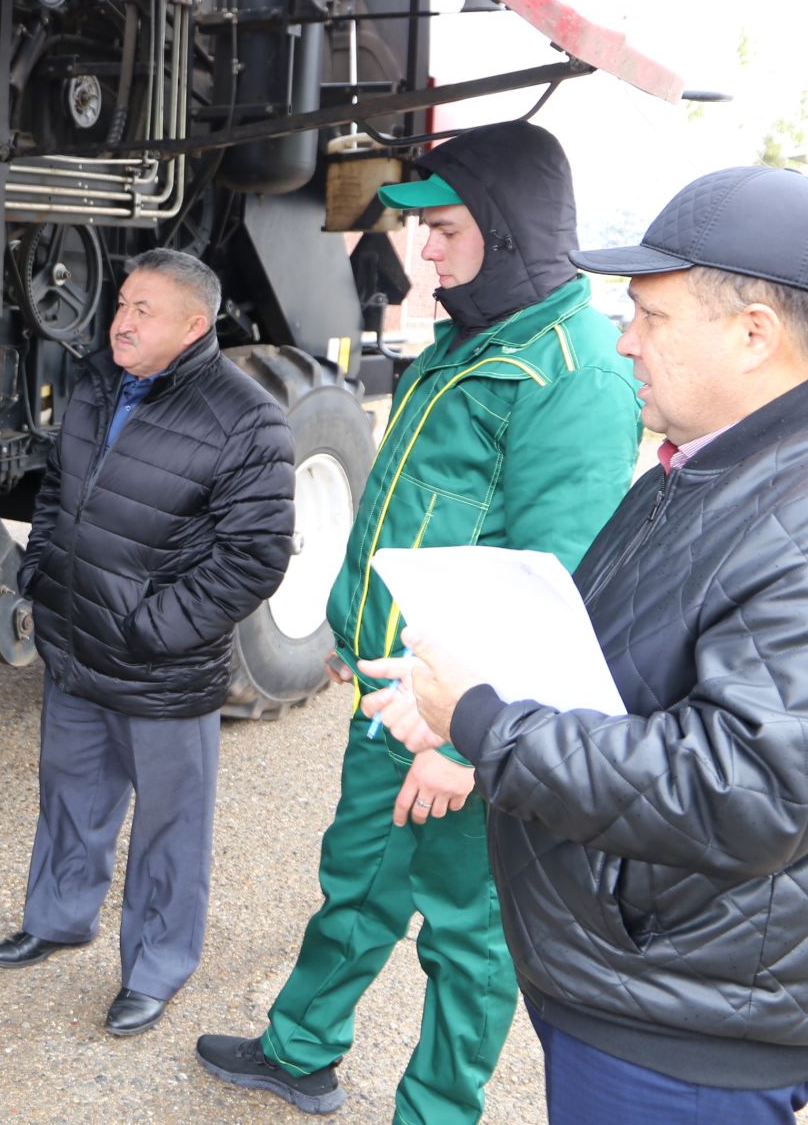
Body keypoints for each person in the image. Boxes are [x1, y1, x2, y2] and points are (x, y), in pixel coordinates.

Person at [363, 166, 808, 1125]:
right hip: (636, 971)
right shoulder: (721, 458)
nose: (624, 342)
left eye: (650, 317)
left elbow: (745, 788)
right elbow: (623, 672)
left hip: (688, 1029)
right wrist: (466, 698)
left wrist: (489, 722)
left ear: (755, 332)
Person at [195, 121, 643, 1123]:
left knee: (465, 930)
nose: (426, 251)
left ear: (513, 227)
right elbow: (413, 510)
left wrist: (468, 737)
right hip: (398, 688)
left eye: (443, 228)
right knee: (355, 880)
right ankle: (301, 1049)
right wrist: (350, 642)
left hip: (461, 715)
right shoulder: (474, 340)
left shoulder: (574, 370)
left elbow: (556, 584)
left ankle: (437, 1110)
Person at [0, 247, 295, 1037]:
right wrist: (42, 575)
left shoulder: (248, 419)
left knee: (169, 827)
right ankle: (57, 919)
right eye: (122, 304)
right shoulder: (96, 387)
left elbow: (253, 558)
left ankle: (155, 966)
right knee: (70, 798)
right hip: (76, 642)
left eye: (142, 311)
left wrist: (152, 628)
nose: (120, 320)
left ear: (194, 326)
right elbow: (58, 491)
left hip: (161, 668)